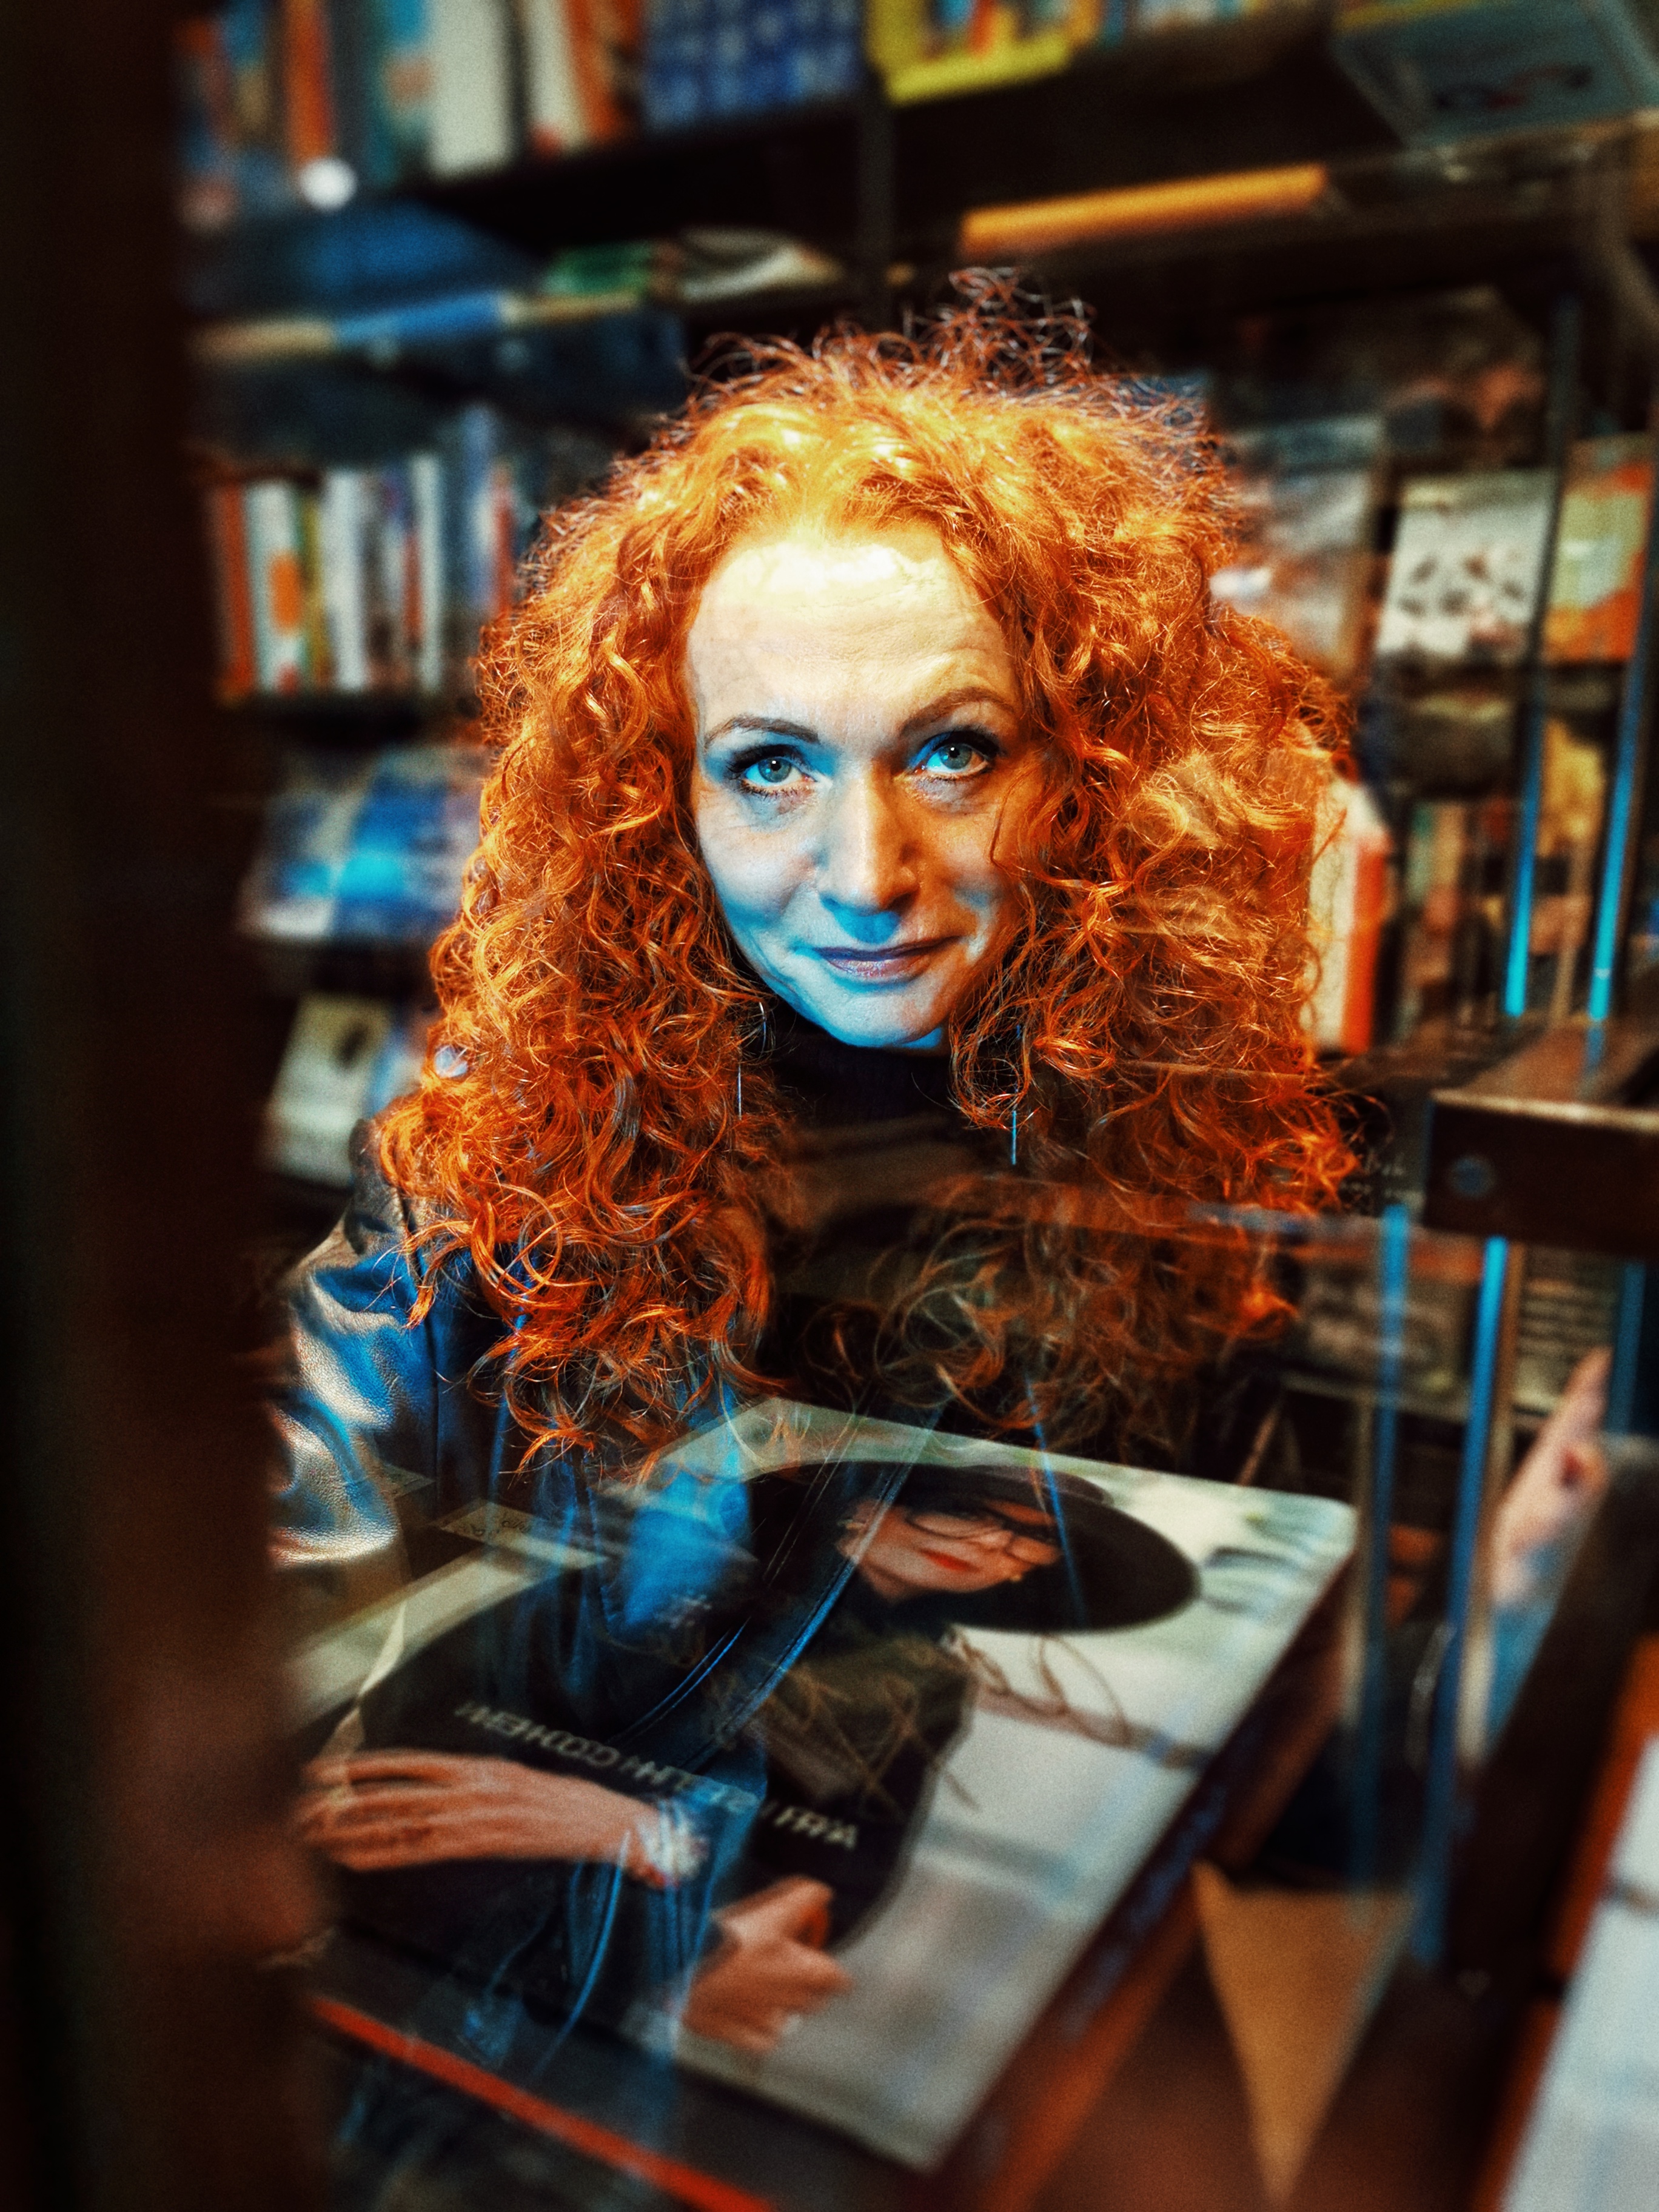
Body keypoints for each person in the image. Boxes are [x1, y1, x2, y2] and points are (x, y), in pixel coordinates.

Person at [273, 289, 1361, 2048]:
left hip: (952, 2010)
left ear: (1085, 776)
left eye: (953, 749)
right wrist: (631, 1866)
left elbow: (1279, 1788)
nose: (867, 869)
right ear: (661, 805)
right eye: (770, 766)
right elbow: (260, 1605)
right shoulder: (488, 1178)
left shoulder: (1173, 1180)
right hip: (536, 2022)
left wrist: (1514, 1620)